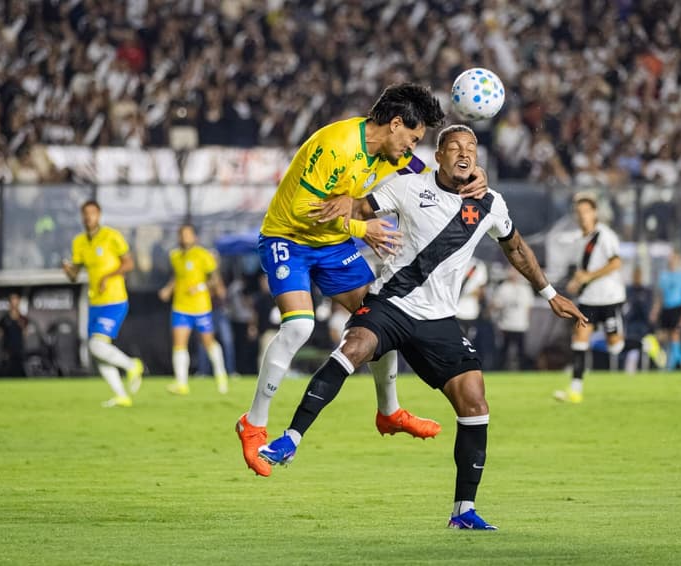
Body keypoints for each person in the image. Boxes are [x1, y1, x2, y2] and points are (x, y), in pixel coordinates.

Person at [257, 125, 587, 530]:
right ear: (439, 156)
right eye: (454, 147)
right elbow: (361, 208)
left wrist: (549, 293)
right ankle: (291, 439)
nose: (464, 153)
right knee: (354, 346)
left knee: (475, 401)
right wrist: (349, 207)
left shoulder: (490, 203)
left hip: (439, 319)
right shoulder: (408, 185)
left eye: (471, 148)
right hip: (392, 304)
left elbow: (515, 247)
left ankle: (463, 511)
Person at [236, 84, 489, 478]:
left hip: (332, 243)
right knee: (299, 326)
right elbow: (302, 209)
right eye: (413, 139)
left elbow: (431, 177)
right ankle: (253, 423)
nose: (412, 148)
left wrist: (472, 175)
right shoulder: (335, 146)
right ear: (395, 124)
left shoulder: (393, 154)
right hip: (288, 238)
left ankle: (389, 412)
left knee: (380, 316)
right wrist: (361, 228)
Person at [62, 200, 143, 407]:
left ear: (99, 215)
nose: (89, 217)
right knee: (98, 351)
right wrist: (68, 270)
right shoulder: (79, 242)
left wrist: (108, 276)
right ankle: (121, 395)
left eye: (93, 213)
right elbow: (74, 275)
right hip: (95, 303)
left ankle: (132, 365)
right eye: (86, 213)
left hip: (114, 300)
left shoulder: (111, 236)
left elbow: (129, 263)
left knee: (96, 345)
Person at [555, 192, 626, 403]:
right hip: (588, 300)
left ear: (594, 213)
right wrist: (577, 282)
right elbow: (582, 271)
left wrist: (589, 276)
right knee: (579, 340)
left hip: (609, 297)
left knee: (615, 347)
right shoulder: (580, 240)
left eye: (586, 211)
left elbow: (616, 263)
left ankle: (645, 345)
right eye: (579, 212)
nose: (583, 216)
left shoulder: (605, 235)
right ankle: (575, 390)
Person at [158, 224, 229, 395]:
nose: (184, 238)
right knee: (179, 344)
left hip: (200, 307)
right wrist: (168, 289)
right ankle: (181, 383)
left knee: (208, 343)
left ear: (195, 237)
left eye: (188, 234)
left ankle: (221, 374)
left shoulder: (203, 255)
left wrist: (200, 287)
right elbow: (177, 276)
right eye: (182, 234)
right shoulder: (175, 256)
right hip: (180, 306)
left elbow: (215, 280)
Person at [649, 251, 681, 370]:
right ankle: (680, 360)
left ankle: (673, 364)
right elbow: (660, 297)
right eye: (670, 258)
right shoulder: (663, 276)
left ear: (678, 260)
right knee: (664, 336)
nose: (672, 261)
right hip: (666, 309)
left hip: (677, 308)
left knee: (675, 334)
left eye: (674, 258)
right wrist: (655, 311)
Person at [491, 267, 535, 370]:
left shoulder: (525, 288)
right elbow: (496, 304)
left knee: (521, 350)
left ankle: (523, 369)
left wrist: (527, 322)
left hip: (521, 325)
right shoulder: (503, 288)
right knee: (504, 350)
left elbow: (529, 307)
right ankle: (500, 369)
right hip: (506, 325)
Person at [0, 293, 29, 377]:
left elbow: (25, 334)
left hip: (19, 350)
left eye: (16, 301)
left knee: (20, 372)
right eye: (13, 301)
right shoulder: (4, 319)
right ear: (10, 303)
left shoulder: (23, 319)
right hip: (7, 351)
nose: (15, 303)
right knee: (6, 373)